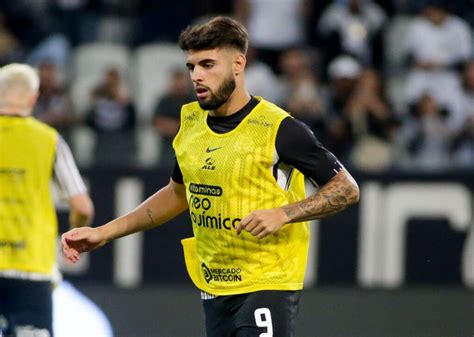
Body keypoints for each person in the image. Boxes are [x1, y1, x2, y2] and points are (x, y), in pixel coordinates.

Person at [62, 17, 359, 337]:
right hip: (215, 286)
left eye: (207, 65)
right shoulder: (190, 121)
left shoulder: (280, 129)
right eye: (192, 67)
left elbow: (346, 188)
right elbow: (177, 194)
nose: (197, 76)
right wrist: (104, 233)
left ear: (238, 64)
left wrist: (284, 213)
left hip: (267, 280)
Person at [0, 63, 94, 337]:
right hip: (32, 266)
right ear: (32, 98)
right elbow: (82, 207)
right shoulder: (49, 140)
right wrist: (74, 235)